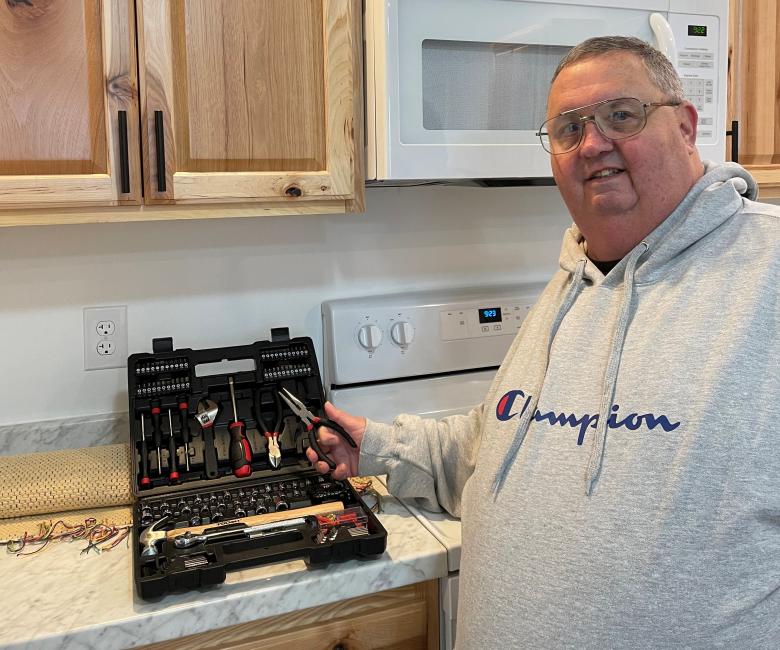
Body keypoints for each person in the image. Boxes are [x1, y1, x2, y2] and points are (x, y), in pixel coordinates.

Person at [309, 36, 780, 647]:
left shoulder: (765, 273)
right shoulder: (570, 285)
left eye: (621, 114)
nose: (593, 143)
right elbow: (489, 451)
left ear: (687, 127)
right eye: (568, 127)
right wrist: (377, 449)